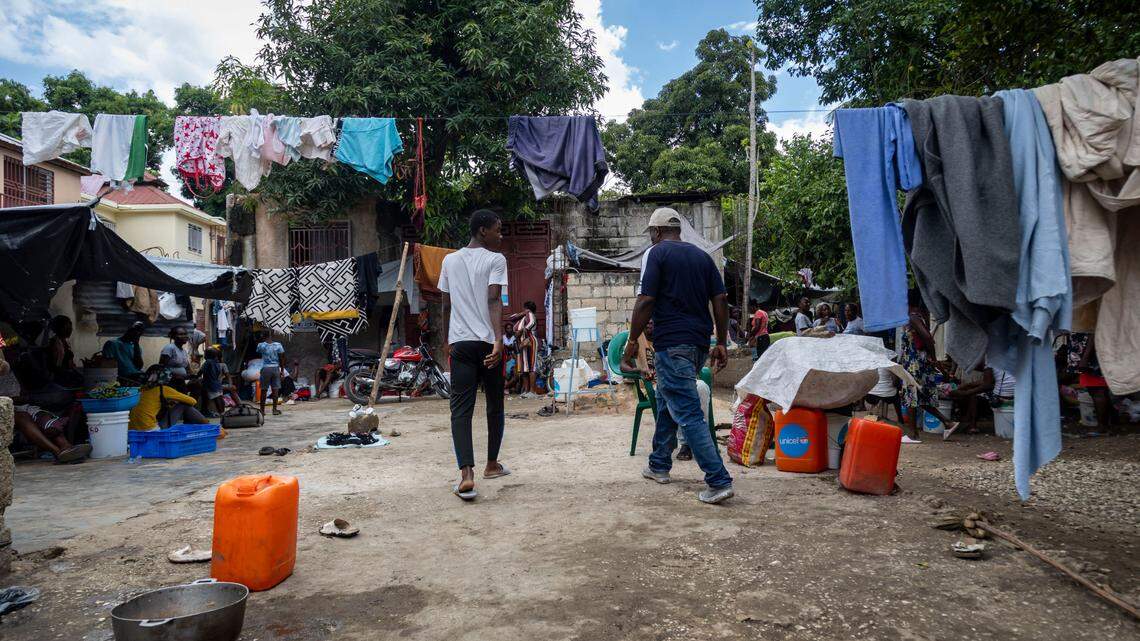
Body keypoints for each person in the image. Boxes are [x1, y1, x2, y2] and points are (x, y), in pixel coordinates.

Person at [621, 207, 734, 505]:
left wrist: (632, 341)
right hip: (698, 344)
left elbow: (646, 300)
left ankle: (718, 480)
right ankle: (659, 463)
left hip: (672, 344)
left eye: (651, 233)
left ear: (657, 231)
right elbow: (721, 299)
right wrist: (722, 342)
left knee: (688, 412)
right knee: (668, 400)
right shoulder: (702, 257)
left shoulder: (656, 253)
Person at [439, 209, 510, 498]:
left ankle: (466, 474)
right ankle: (491, 465)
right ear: (483, 230)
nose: (500, 235)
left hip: (461, 344)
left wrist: (446, 341)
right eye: (497, 229)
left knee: (460, 409)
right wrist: (498, 340)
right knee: (494, 405)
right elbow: (494, 299)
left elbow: (446, 305)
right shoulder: (496, 259)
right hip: (487, 344)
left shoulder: (449, 260)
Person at [899, 290, 957, 440]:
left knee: (911, 396)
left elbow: (927, 337)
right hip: (919, 362)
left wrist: (934, 358)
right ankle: (948, 422)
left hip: (914, 364)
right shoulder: (919, 316)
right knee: (921, 398)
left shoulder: (912, 317)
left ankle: (912, 434)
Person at [129, 365, 210, 430]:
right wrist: (176, 400)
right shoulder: (163, 389)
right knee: (183, 405)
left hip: (133, 431)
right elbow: (193, 401)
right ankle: (208, 426)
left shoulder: (140, 389)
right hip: (151, 431)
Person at [13, 405, 91, 463]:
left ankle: (67, 447)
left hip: (25, 407)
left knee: (45, 418)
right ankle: (58, 452)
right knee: (23, 417)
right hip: (10, 409)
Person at [1077, 334, 1115, 435]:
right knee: (1099, 389)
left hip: (1091, 355)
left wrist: (1085, 357)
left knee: (1097, 389)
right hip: (1091, 352)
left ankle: (1102, 427)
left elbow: (1093, 331)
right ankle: (1107, 424)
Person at [509, 301, 539, 398]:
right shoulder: (522, 317)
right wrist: (522, 313)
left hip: (530, 341)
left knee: (531, 365)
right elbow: (511, 318)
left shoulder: (530, 315)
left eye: (525, 308)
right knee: (524, 367)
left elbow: (532, 323)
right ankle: (526, 391)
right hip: (522, 344)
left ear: (527, 308)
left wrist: (521, 330)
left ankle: (532, 391)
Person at [43, 315, 83, 388]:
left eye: (70, 327)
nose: (70, 329)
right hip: (59, 379)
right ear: (60, 328)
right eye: (67, 327)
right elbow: (54, 366)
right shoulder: (55, 343)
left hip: (66, 375)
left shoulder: (64, 342)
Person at [256, 332, 287, 416]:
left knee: (264, 389)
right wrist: (282, 370)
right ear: (271, 336)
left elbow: (258, 352)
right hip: (275, 368)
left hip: (265, 368)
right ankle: (274, 409)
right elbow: (282, 358)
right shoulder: (278, 345)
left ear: (263, 336)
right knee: (275, 389)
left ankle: (262, 410)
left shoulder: (261, 345)